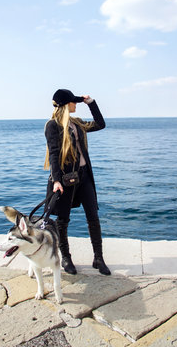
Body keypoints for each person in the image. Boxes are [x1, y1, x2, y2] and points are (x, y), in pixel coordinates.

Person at [44, 89, 111, 276]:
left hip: (84, 177)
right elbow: (54, 155)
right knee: (63, 220)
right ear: (66, 105)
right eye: (73, 102)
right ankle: (66, 258)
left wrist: (91, 102)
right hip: (65, 180)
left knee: (93, 216)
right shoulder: (53, 126)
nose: (76, 104)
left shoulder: (77, 123)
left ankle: (99, 258)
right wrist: (56, 180)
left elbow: (100, 124)